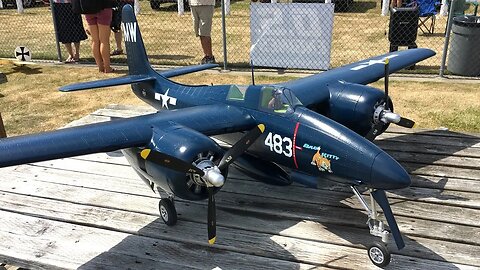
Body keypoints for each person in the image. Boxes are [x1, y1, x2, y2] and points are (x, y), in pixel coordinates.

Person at [84, 0, 115, 73]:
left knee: (95, 40)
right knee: (104, 41)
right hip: (104, 7)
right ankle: (107, 67)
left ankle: (100, 67)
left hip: (88, 8)